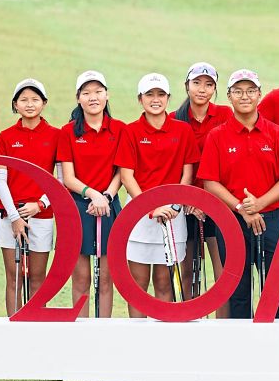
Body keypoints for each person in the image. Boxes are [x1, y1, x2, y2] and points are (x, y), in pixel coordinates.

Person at [198, 69, 279, 319]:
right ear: (229, 96)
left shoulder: (277, 133)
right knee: (237, 290)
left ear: (259, 94)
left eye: (250, 91)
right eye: (238, 91)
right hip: (232, 220)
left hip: (272, 219)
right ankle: (241, 341)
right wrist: (242, 208)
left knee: (277, 289)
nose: (244, 96)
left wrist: (259, 205)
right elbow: (210, 182)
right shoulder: (217, 136)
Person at [117, 73, 200, 313]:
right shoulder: (131, 131)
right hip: (139, 213)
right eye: (150, 95)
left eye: (161, 94)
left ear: (168, 97)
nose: (155, 99)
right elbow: (127, 176)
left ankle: (162, 333)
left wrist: (175, 205)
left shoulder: (182, 130)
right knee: (138, 285)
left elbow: (187, 173)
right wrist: (149, 207)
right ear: (140, 99)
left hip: (173, 213)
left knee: (165, 283)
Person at [58, 70, 127, 318]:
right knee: (80, 277)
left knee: (107, 277)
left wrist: (105, 196)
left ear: (107, 95)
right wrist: (92, 194)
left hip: (109, 205)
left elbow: (122, 171)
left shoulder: (120, 129)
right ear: (78, 98)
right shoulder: (67, 132)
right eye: (86, 93)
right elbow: (68, 178)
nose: (93, 97)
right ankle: (82, 329)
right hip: (78, 206)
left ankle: (104, 329)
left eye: (98, 92)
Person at [0, 79, 60, 315]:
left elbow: (60, 180)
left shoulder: (56, 135)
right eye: (23, 100)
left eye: (35, 99)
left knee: (38, 277)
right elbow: (0, 180)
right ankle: (14, 327)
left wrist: (40, 204)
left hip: (41, 215)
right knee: (14, 277)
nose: (29, 104)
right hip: (9, 216)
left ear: (44, 103)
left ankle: (37, 326)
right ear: (15, 104)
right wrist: (15, 217)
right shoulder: (6, 136)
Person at [173, 62, 233, 313]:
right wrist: (188, 201)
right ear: (187, 86)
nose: (202, 89)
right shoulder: (174, 119)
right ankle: (189, 321)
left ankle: (223, 326)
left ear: (215, 89)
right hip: (185, 205)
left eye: (209, 84)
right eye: (196, 83)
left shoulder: (225, 115)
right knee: (187, 273)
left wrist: (209, 201)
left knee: (223, 274)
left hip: (218, 204)